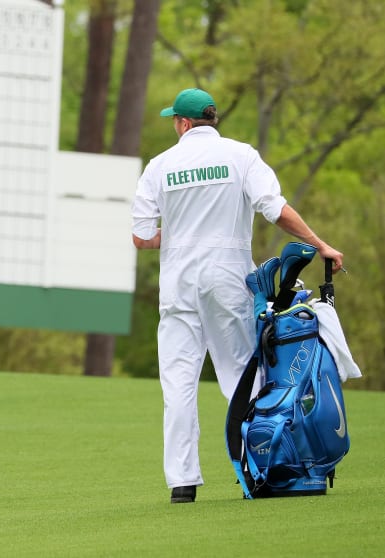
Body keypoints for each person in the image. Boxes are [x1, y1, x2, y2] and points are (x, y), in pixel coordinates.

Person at [130, 88, 344, 504]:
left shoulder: (159, 166)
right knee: (243, 376)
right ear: (211, 120)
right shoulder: (241, 155)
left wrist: (176, 237)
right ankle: (263, 465)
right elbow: (275, 209)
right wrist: (321, 245)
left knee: (178, 383)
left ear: (183, 123)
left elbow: (141, 237)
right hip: (227, 278)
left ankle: (182, 483)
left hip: (178, 283)